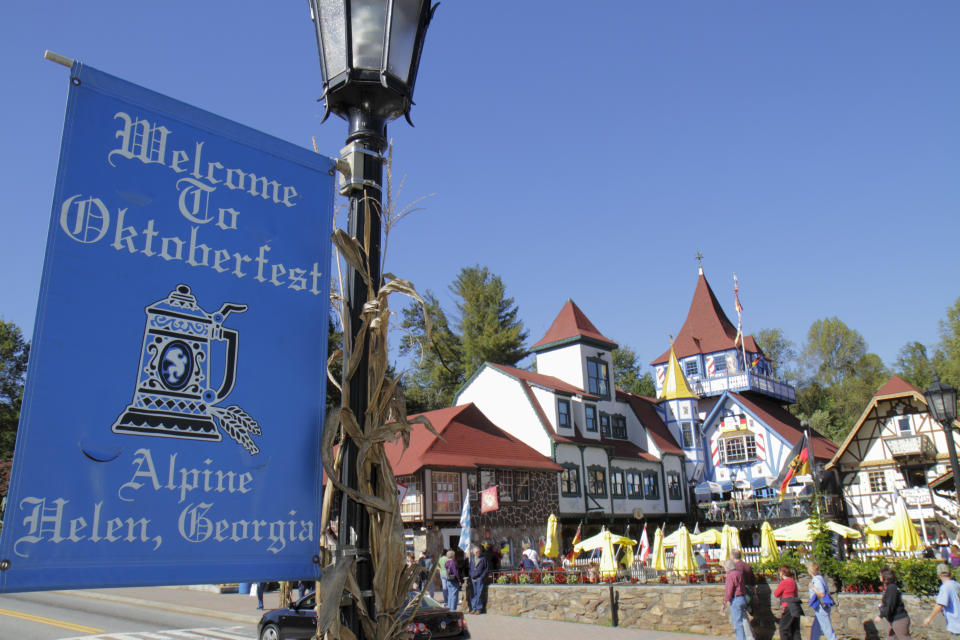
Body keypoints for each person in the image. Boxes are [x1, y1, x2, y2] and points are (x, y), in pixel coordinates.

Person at [874, 567, 911, 640]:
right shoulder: (889, 587)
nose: (879, 577)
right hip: (895, 620)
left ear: (885, 576)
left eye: (880, 575)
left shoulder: (891, 588)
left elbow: (890, 605)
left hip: (899, 620)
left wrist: (881, 616)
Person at [923, 563, 960, 634]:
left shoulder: (945, 587)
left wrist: (929, 618)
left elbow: (940, 605)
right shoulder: (956, 584)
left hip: (956, 626)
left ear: (939, 575)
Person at [806, 560, 838, 640]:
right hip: (820, 607)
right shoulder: (820, 578)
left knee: (827, 629)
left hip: (821, 607)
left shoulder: (816, 580)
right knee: (816, 629)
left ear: (810, 570)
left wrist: (813, 588)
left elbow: (822, 594)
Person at [731, 549, 756, 640]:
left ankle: (747, 637)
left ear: (733, 556)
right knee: (743, 615)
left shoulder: (735, 567)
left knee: (739, 617)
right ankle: (749, 636)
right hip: (749, 591)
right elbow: (753, 581)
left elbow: (735, 582)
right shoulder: (747, 565)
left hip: (740, 593)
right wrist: (755, 594)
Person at [721, 557, 749, 640]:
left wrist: (725, 601)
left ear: (727, 567)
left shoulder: (730, 575)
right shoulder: (739, 573)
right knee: (744, 621)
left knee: (737, 623)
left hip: (736, 599)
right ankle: (749, 637)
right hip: (743, 598)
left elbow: (729, 590)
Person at [773, 565, 802, 640]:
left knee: (783, 629)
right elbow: (795, 594)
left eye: (780, 572)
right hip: (796, 606)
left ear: (782, 573)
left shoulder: (784, 582)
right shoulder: (793, 581)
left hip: (788, 607)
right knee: (795, 630)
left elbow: (776, 594)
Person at [468, 545, 489, 614]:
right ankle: (473, 608)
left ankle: (478, 609)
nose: (478, 553)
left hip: (480, 578)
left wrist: (482, 576)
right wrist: (471, 574)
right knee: (473, 593)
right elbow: (470, 567)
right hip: (473, 577)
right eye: (476, 552)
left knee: (479, 593)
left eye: (479, 552)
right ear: (474, 553)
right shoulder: (472, 559)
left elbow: (486, 569)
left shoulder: (483, 559)